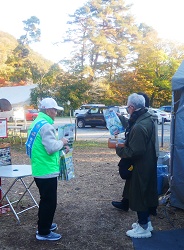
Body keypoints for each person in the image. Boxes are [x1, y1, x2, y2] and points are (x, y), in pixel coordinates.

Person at [115, 93, 158, 238]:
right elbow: (131, 125)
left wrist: (118, 148)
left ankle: (143, 227)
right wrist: (120, 118)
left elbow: (135, 151)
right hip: (146, 163)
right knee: (143, 192)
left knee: (140, 194)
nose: (127, 110)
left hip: (142, 166)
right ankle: (146, 222)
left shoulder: (140, 125)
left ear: (132, 107)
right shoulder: (144, 117)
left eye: (128, 107)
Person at [28, 97, 70, 241]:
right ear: (48, 110)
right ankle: (43, 232)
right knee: (49, 202)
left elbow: (42, 148)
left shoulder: (37, 123)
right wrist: (62, 142)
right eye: (55, 110)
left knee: (45, 200)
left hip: (40, 168)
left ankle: (44, 224)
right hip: (46, 170)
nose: (56, 113)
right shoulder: (46, 126)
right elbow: (51, 148)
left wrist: (62, 148)